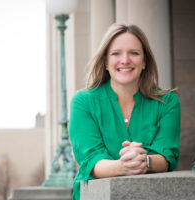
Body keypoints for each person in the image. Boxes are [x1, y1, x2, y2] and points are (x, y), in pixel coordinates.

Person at [69, 24, 181, 200]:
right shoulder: (83, 102)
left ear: (145, 61)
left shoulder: (167, 102)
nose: (125, 60)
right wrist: (123, 166)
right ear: (105, 61)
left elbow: (168, 157)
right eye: (116, 53)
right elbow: (91, 160)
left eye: (134, 53)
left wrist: (144, 161)